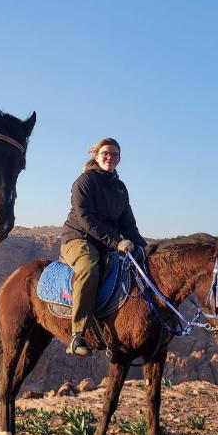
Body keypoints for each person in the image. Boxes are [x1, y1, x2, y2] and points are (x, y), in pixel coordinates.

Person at [60, 137, 146, 357]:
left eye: (114, 154)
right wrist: (117, 242)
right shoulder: (85, 181)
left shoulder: (120, 187)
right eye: (105, 153)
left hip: (107, 242)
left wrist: (142, 247)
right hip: (78, 239)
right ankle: (78, 333)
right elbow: (85, 218)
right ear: (96, 156)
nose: (110, 157)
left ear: (119, 159)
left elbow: (128, 223)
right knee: (89, 267)